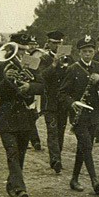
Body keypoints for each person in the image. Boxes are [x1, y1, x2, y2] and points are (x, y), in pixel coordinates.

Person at [0, 33, 44, 197]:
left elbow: (42, 86)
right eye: (19, 49)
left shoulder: (33, 64)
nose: (21, 53)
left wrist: (29, 86)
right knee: (12, 153)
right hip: (7, 117)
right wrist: (6, 80)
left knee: (20, 155)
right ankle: (20, 189)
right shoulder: (0, 67)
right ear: (12, 48)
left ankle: (12, 183)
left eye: (25, 50)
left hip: (26, 117)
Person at [59, 35, 99, 195]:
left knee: (83, 147)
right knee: (87, 146)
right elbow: (62, 94)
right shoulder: (73, 69)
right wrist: (72, 103)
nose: (87, 54)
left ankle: (74, 179)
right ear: (79, 53)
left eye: (90, 51)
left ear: (94, 51)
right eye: (84, 51)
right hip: (79, 114)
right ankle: (94, 180)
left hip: (94, 114)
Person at [40, 30, 72, 174]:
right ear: (48, 44)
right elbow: (41, 77)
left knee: (60, 131)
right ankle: (55, 159)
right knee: (52, 131)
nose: (57, 45)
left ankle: (57, 157)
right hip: (50, 102)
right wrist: (54, 64)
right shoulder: (43, 59)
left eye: (59, 43)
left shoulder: (69, 59)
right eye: (54, 43)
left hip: (62, 102)